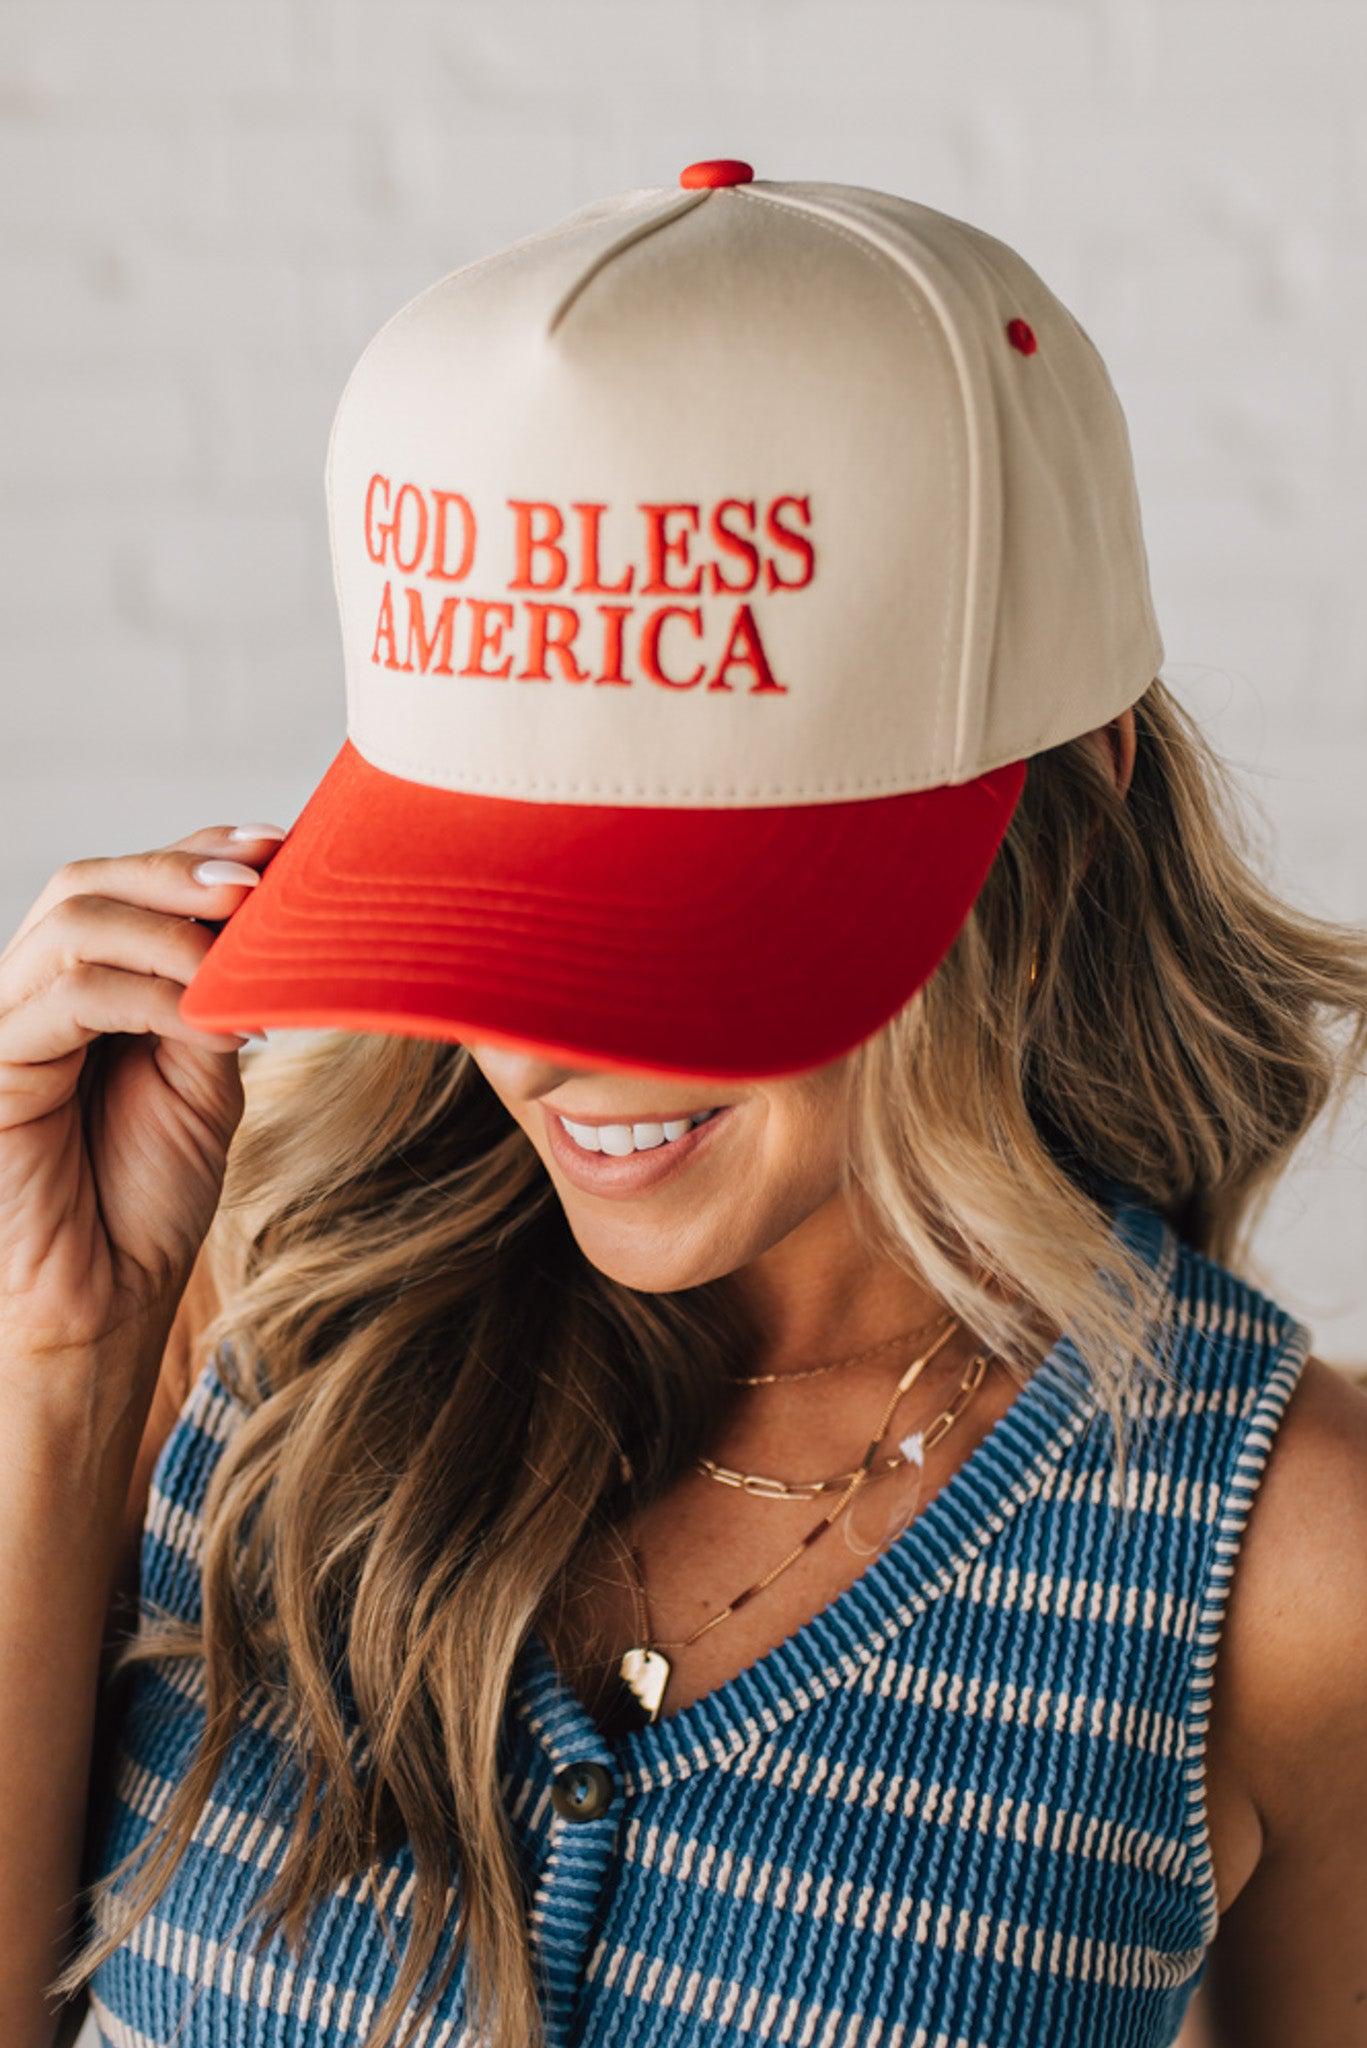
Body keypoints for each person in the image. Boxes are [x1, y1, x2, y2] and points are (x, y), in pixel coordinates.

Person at [3, 163, 1366, 2048]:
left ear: (1071, 788)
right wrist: (64, 1356)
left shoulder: (1281, 1561)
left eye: (679, 933)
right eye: (483, 912)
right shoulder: (251, 1322)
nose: (552, 1053)